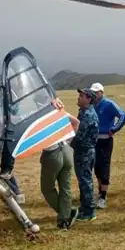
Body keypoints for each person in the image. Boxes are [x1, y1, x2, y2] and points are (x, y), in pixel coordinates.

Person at [39, 98, 79, 230]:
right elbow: (76, 122)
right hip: (66, 150)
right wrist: (68, 140)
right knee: (65, 187)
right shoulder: (59, 112)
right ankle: (64, 221)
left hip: (52, 153)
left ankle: (66, 214)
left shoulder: (41, 116)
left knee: (47, 188)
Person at [89, 82, 125, 209]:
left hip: (105, 140)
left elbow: (123, 116)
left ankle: (103, 196)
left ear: (101, 92)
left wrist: (114, 129)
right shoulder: (91, 104)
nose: (95, 94)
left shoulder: (109, 104)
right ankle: (100, 191)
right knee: (96, 166)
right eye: (93, 92)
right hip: (94, 140)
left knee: (104, 166)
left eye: (97, 92)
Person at [69, 88, 100, 221]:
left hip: (85, 152)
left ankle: (89, 211)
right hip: (83, 151)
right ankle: (85, 206)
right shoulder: (84, 112)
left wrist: (67, 141)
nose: (79, 98)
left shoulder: (87, 115)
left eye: (82, 96)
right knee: (84, 180)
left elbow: (79, 135)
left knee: (85, 181)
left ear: (89, 99)